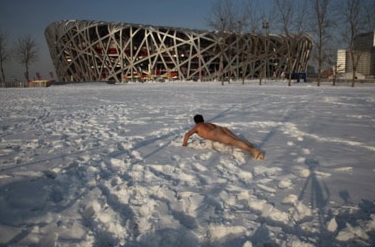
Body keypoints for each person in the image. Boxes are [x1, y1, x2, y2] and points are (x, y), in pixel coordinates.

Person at [182, 114, 264, 160]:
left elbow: (187, 134)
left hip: (214, 133)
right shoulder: (208, 124)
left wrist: (184, 144)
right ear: (203, 119)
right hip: (221, 129)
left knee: (234, 142)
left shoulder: (197, 126)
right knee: (237, 139)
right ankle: (252, 147)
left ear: (195, 121)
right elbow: (217, 127)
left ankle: (254, 151)